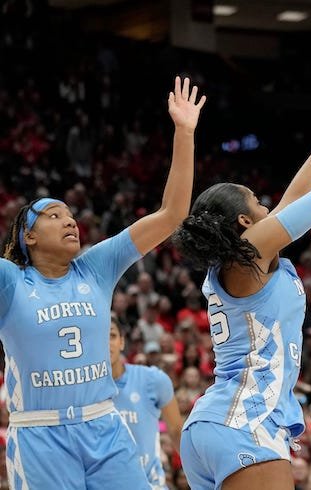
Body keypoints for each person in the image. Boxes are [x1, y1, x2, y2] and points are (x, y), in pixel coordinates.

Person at [174, 85, 311, 490]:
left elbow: (295, 200)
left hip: (216, 423)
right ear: (243, 223)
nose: (266, 203)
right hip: (244, 420)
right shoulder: (248, 253)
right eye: (255, 200)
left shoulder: (244, 260)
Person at [0, 76, 205, 489]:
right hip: (41, 435)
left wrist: (184, 133)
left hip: (104, 426)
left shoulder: (96, 267)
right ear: (29, 236)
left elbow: (171, 214)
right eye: (53, 215)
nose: (69, 219)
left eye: (71, 214)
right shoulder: (11, 280)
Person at [110, 318, 183, 489]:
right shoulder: (85, 391)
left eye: (112, 335)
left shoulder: (153, 380)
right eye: (100, 337)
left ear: (122, 342)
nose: (106, 343)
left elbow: (177, 432)